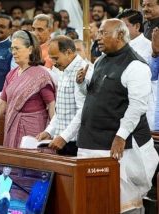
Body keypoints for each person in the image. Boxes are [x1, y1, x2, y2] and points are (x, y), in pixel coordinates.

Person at [75, 19, 159, 213]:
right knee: (94, 201)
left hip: (118, 145)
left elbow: (137, 106)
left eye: (103, 33)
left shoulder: (136, 65)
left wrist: (121, 135)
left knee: (124, 202)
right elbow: (93, 96)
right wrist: (81, 84)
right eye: (99, 33)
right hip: (90, 141)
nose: (98, 38)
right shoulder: (101, 60)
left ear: (120, 35)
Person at [0, 31, 55, 148]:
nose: (13, 53)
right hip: (11, 126)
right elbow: (2, 103)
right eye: (12, 49)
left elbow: (52, 106)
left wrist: (51, 132)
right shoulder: (11, 74)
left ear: (30, 49)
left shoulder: (41, 75)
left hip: (33, 131)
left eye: (17, 49)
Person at [36, 35, 90, 156]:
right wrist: (49, 131)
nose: (54, 63)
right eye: (51, 59)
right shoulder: (64, 69)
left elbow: (84, 111)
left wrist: (65, 137)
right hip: (62, 140)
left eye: (56, 58)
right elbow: (61, 109)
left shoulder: (82, 71)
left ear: (68, 52)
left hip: (75, 142)